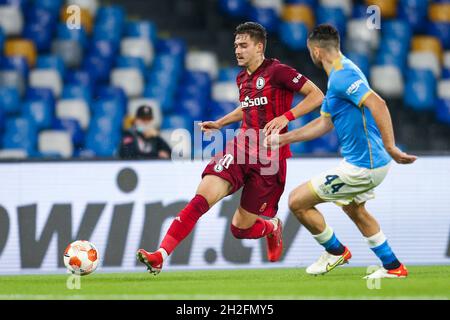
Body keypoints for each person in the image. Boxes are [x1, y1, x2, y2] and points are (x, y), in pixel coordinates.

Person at [136, 21, 324, 274]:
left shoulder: (278, 72)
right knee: (201, 198)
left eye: (244, 45)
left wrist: (286, 117)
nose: (237, 50)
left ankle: (272, 227)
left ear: (259, 47)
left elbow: (316, 95)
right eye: (236, 45)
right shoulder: (242, 77)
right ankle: (160, 255)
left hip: (270, 158)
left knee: (239, 228)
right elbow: (248, 107)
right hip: (241, 148)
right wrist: (221, 122)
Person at [265, 24, 417, 279]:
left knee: (297, 201)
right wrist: (283, 139)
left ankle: (335, 252)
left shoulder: (342, 74)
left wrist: (392, 147)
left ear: (315, 51)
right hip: (369, 163)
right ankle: (393, 267)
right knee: (355, 210)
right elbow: (324, 123)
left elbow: (377, 103)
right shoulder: (340, 74)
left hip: (363, 166)